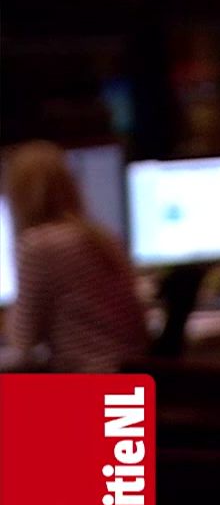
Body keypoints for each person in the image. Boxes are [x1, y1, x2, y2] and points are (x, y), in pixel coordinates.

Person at [3, 141, 148, 373]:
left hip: (92, 385)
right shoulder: (97, 236)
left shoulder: (39, 244)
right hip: (128, 384)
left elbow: (24, 342)